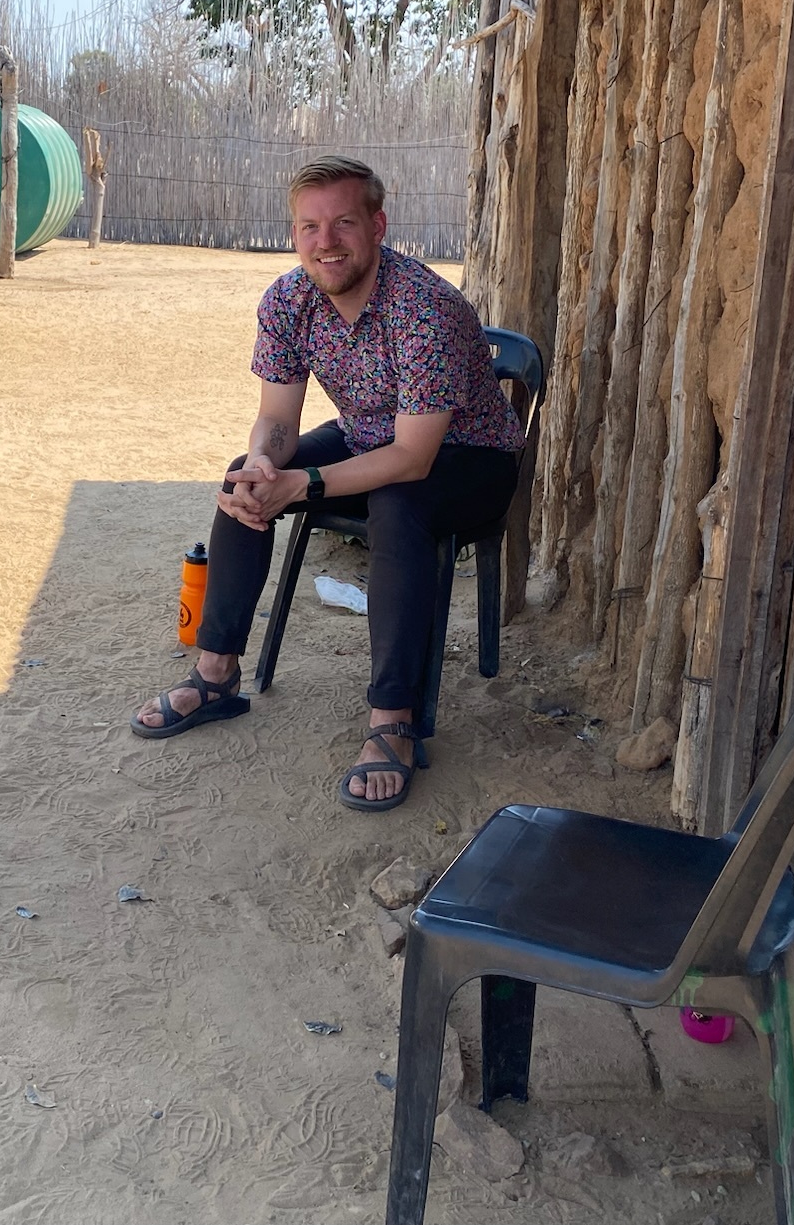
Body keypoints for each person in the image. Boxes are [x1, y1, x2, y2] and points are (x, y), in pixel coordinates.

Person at [129, 157, 524, 812]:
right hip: (371, 436)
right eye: (308, 226)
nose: (325, 241)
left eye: (342, 222)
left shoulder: (426, 308)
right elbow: (278, 419)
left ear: (377, 225)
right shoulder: (288, 299)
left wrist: (303, 483)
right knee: (242, 481)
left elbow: (412, 458)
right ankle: (215, 675)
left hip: (468, 455)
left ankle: (392, 722)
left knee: (397, 507)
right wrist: (264, 464)